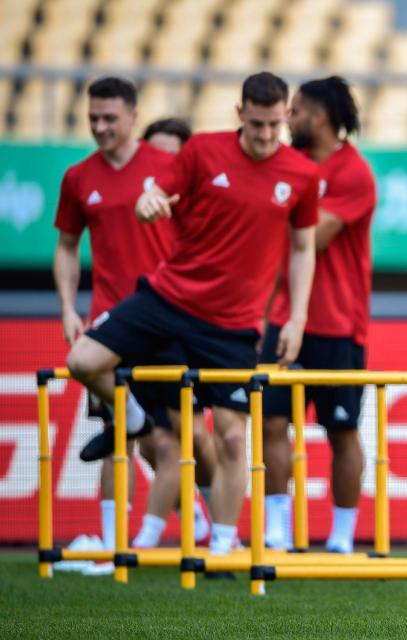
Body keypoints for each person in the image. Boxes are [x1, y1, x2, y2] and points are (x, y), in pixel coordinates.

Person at [66, 72, 319, 556]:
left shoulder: (301, 174)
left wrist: (297, 317)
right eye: (257, 124)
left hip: (233, 324)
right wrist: (148, 203)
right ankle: (136, 420)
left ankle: (222, 545)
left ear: (286, 116)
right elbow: (154, 193)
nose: (266, 136)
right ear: (240, 114)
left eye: (274, 125)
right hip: (168, 298)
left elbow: (303, 247)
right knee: (83, 362)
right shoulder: (202, 151)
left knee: (228, 438)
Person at [53, 79, 206, 574]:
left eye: (109, 118)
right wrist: (67, 307)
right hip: (107, 323)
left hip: (164, 318)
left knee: (175, 438)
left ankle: (196, 526)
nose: (99, 127)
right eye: (93, 117)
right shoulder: (78, 177)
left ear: (133, 116)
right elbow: (66, 246)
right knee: (117, 440)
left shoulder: (168, 169)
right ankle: (112, 541)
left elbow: (202, 232)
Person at [260, 77, 375, 554]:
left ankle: (343, 537)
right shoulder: (285, 165)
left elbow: (310, 237)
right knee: (270, 423)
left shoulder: (353, 173)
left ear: (321, 116)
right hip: (282, 318)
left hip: (337, 324)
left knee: (342, 429)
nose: (288, 119)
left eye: (296, 110)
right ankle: (277, 532)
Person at [132, 116, 218, 551]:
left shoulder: (201, 200)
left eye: (172, 153)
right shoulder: (137, 195)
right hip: (134, 324)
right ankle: (199, 517)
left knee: (192, 436)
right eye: (155, 152)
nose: (162, 162)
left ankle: (219, 518)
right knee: (148, 442)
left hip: (181, 324)